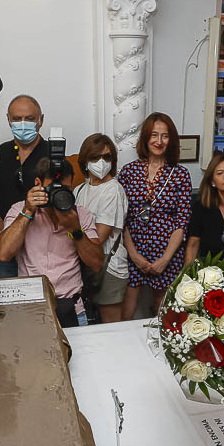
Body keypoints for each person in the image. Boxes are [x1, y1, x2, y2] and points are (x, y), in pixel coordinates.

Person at [0, 157, 103, 327]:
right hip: (31, 308)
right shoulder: (19, 209)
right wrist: (27, 212)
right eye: (54, 188)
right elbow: (3, 253)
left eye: (65, 189)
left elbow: (96, 263)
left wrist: (75, 230)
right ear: (38, 183)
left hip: (72, 308)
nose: (58, 194)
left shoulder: (81, 215)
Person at [120, 113, 192, 318]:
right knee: (127, 310)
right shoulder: (128, 172)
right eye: (154, 135)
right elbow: (122, 220)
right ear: (145, 138)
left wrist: (164, 260)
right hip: (133, 250)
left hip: (167, 252)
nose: (159, 141)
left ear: (172, 140)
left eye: (165, 136)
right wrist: (134, 256)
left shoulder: (180, 174)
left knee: (165, 312)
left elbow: (182, 223)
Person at [0, 94, 51, 278]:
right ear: (9, 120)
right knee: (10, 302)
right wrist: (6, 231)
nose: (23, 123)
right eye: (17, 119)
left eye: (30, 118)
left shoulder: (54, 155)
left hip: (44, 249)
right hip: (3, 247)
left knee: (44, 300)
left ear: (41, 120)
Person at [73, 133, 129, 324]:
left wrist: (73, 231)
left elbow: (100, 236)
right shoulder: (79, 190)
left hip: (109, 265)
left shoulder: (113, 189)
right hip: (86, 264)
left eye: (107, 157)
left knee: (110, 326)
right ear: (85, 161)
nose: (101, 162)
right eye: (95, 157)